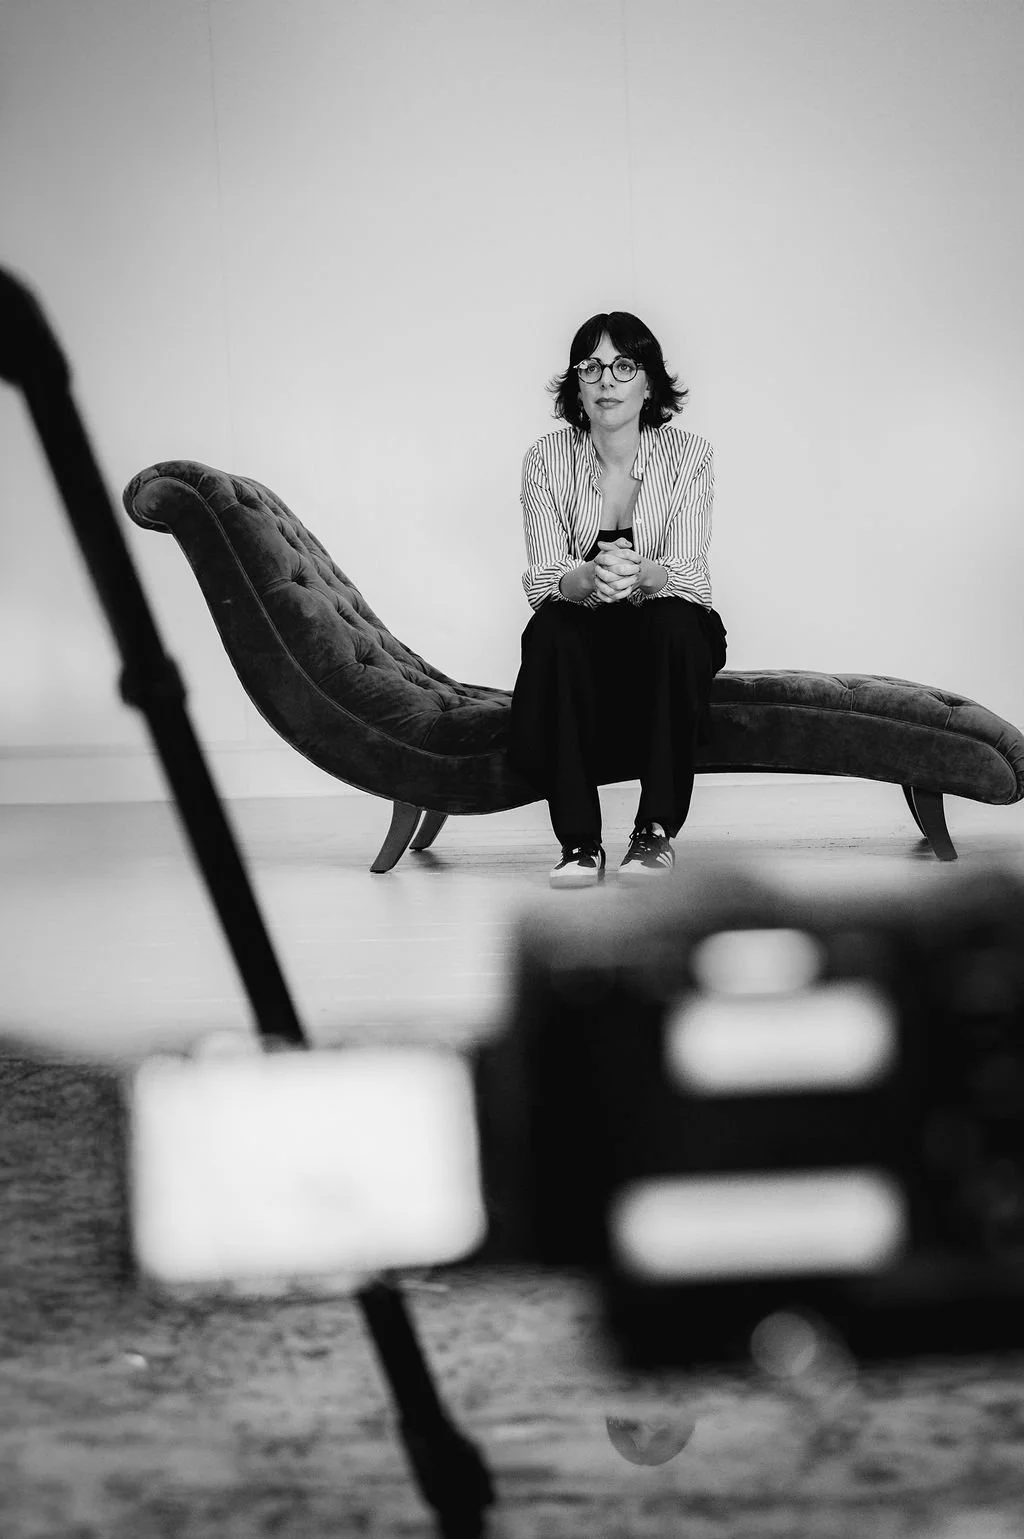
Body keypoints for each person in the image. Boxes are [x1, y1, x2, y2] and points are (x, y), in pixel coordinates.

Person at [508, 311, 727, 889]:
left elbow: (691, 575)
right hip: (585, 628)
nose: (607, 380)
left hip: (665, 624)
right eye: (592, 367)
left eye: (623, 366)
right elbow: (543, 578)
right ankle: (579, 842)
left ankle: (654, 830)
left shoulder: (690, 456)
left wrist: (642, 575)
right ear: (577, 385)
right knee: (551, 631)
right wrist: (584, 579)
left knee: (677, 625)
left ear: (648, 382)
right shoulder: (544, 458)